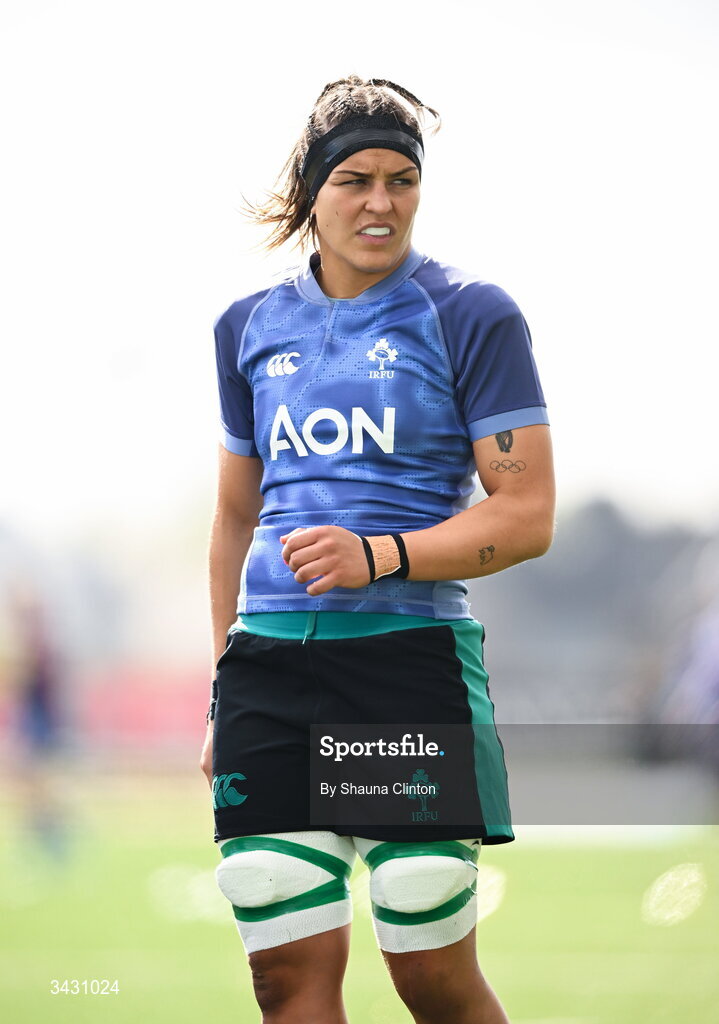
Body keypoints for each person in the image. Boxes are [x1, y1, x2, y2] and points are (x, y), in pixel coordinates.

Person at [200, 75, 555, 1024]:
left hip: (403, 667)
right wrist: (219, 689)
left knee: (425, 957)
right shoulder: (246, 328)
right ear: (311, 190)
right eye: (355, 178)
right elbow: (234, 519)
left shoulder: (471, 313)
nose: (380, 202)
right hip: (268, 673)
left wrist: (381, 556)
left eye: (401, 180)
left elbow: (525, 516)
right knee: (283, 962)